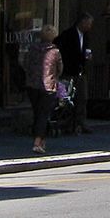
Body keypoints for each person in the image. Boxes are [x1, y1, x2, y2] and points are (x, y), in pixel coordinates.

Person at [24, 25, 62, 155]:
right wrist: (55, 77)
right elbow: (60, 68)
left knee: (37, 112)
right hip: (47, 86)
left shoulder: (32, 49)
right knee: (44, 114)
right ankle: (38, 142)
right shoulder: (55, 52)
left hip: (32, 85)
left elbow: (25, 63)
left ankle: (40, 138)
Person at [55, 13, 95, 134]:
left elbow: (86, 50)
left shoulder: (86, 36)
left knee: (82, 98)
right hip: (69, 70)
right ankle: (68, 124)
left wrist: (87, 58)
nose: (90, 27)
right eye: (88, 24)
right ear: (82, 22)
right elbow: (59, 47)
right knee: (68, 98)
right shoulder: (68, 34)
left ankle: (80, 123)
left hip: (80, 71)